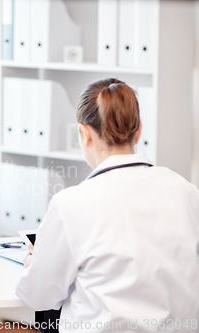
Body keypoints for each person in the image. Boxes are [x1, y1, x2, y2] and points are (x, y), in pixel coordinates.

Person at [15, 78, 199, 333]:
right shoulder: (187, 191)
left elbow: (36, 296)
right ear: (138, 131)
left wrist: (35, 265)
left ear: (85, 134)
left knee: (49, 314)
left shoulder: (71, 204)